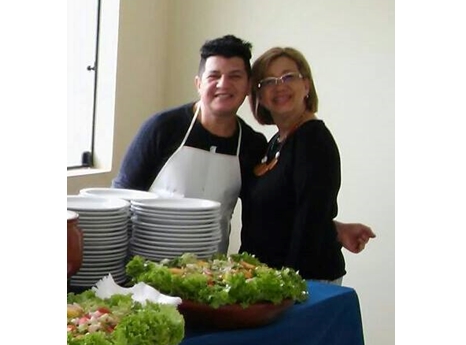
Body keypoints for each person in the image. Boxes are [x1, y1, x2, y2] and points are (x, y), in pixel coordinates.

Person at [112, 35, 374, 257]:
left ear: (248, 87)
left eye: (235, 76)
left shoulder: (252, 144)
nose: (223, 85)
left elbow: (277, 207)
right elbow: (121, 197)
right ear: (199, 83)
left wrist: (333, 228)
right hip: (145, 269)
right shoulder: (162, 128)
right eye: (214, 76)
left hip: (210, 280)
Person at [239, 46, 374, 284]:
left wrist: (288, 286)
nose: (279, 86)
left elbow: (309, 221)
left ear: (307, 86)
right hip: (267, 278)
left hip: (303, 282)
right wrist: (337, 229)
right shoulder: (276, 143)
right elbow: (283, 211)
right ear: (258, 95)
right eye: (268, 81)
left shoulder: (313, 140)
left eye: (288, 76)